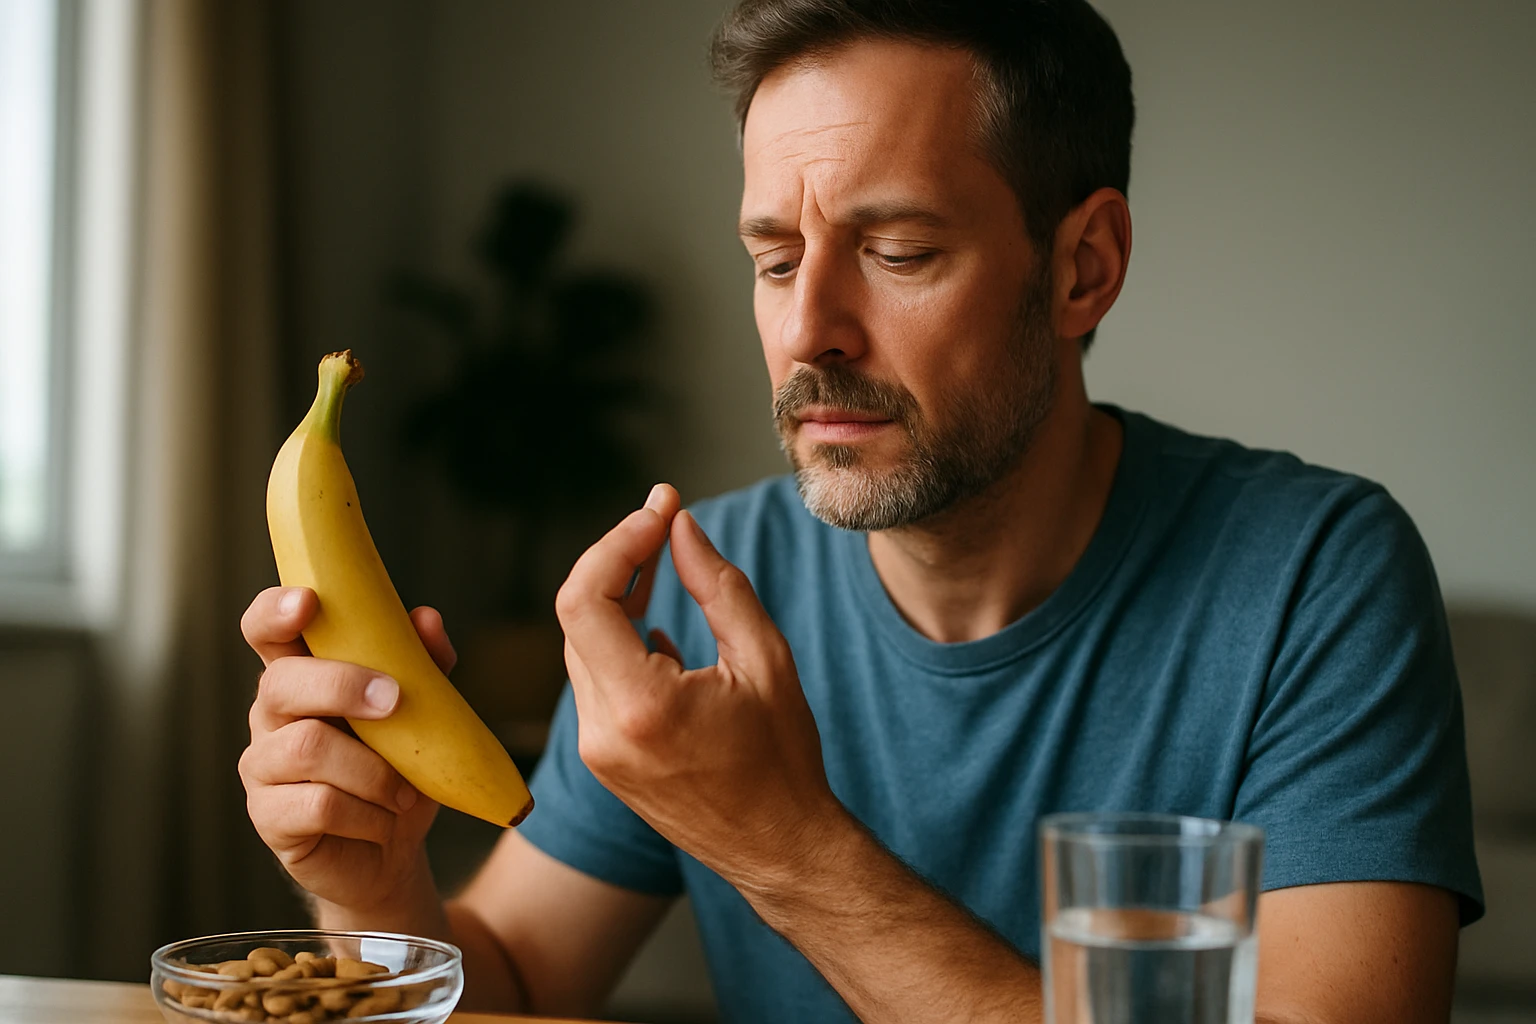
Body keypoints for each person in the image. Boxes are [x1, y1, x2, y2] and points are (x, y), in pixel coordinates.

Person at [238, 2, 1483, 1021]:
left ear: (1082, 266)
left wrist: (788, 846)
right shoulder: (693, 585)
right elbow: (509, 979)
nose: (808, 331)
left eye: (897, 252)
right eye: (775, 259)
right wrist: (377, 886)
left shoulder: (1317, 574)